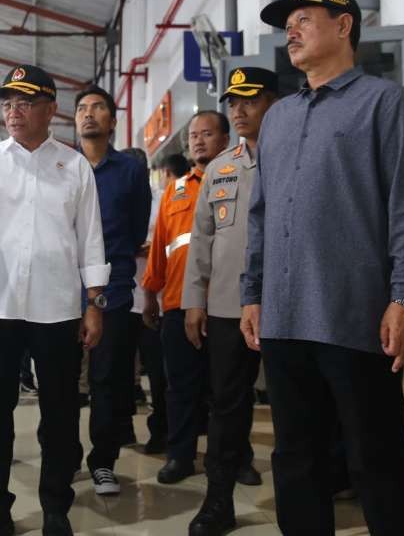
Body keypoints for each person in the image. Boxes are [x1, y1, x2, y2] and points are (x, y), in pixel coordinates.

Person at [241, 0, 404, 535]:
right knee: (295, 460)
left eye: (304, 18)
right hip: (284, 318)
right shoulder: (276, 119)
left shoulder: (386, 103)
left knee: (375, 460)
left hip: (355, 317)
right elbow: (260, 214)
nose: (291, 31)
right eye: (288, 23)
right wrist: (252, 293)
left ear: (344, 25)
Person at [0, 64, 109, 536]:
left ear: (49, 109)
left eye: (24, 103)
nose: (13, 112)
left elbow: (91, 238)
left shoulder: (74, 164)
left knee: (59, 413)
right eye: (7, 104)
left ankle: (56, 506)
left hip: (56, 306)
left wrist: (94, 302)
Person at [182, 67, 278, 536]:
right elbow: (201, 241)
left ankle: (315, 492)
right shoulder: (221, 168)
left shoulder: (294, 157)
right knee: (226, 406)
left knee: (298, 404)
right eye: (233, 103)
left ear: (273, 102)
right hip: (225, 308)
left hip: (288, 306)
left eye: (250, 101)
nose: (239, 111)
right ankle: (217, 502)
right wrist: (193, 301)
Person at [142, 112, 229, 485]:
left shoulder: (237, 179)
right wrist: (150, 294)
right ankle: (180, 456)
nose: (197, 141)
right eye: (193, 135)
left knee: (228, 390)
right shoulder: (174, 191)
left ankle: (231, 458)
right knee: (180, 388)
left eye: (207, 134)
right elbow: (162, 245)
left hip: (226, 304)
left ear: (225, 139)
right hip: (177, 303)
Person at [74, 86, 151, 496]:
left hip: (113, 287)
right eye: (82, 108)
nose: (89, 114)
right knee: (62, 378)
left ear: (112, 120)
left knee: (108, 378)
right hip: (63, 288)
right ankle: (65, 456)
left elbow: (138, 226)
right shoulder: (63, 166)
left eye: (98, 107)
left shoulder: (130, 170)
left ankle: (103, 461)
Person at [123, 147, 167, 455]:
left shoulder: (163, 198)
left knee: (159, 373)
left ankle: (161, 431)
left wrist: (151, 249)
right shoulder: (112, 197)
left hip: (156, 300)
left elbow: (176, 245)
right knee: (118, 372)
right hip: (120, 299)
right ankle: (121, 428)